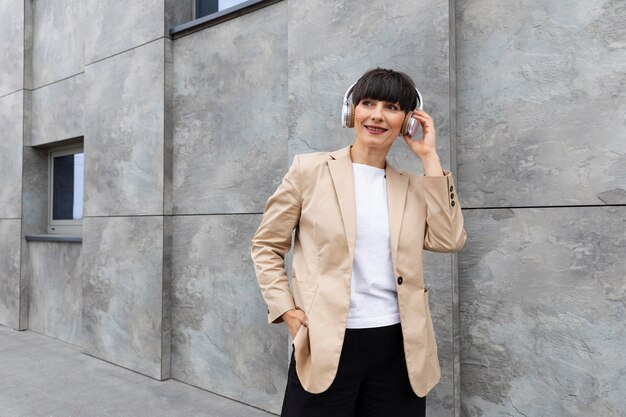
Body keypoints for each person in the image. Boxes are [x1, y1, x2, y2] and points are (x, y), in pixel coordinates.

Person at [251, 68, 467, 417]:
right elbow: (266, 245)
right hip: (327, 340)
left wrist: (429, 158)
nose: (378, 115)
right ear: (351, 111)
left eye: (392, 107)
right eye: (368, 103)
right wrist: (285, 309)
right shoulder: (309, 170)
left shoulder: (413, 186)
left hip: (399, 346)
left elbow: (449, 238)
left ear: (408, 121)